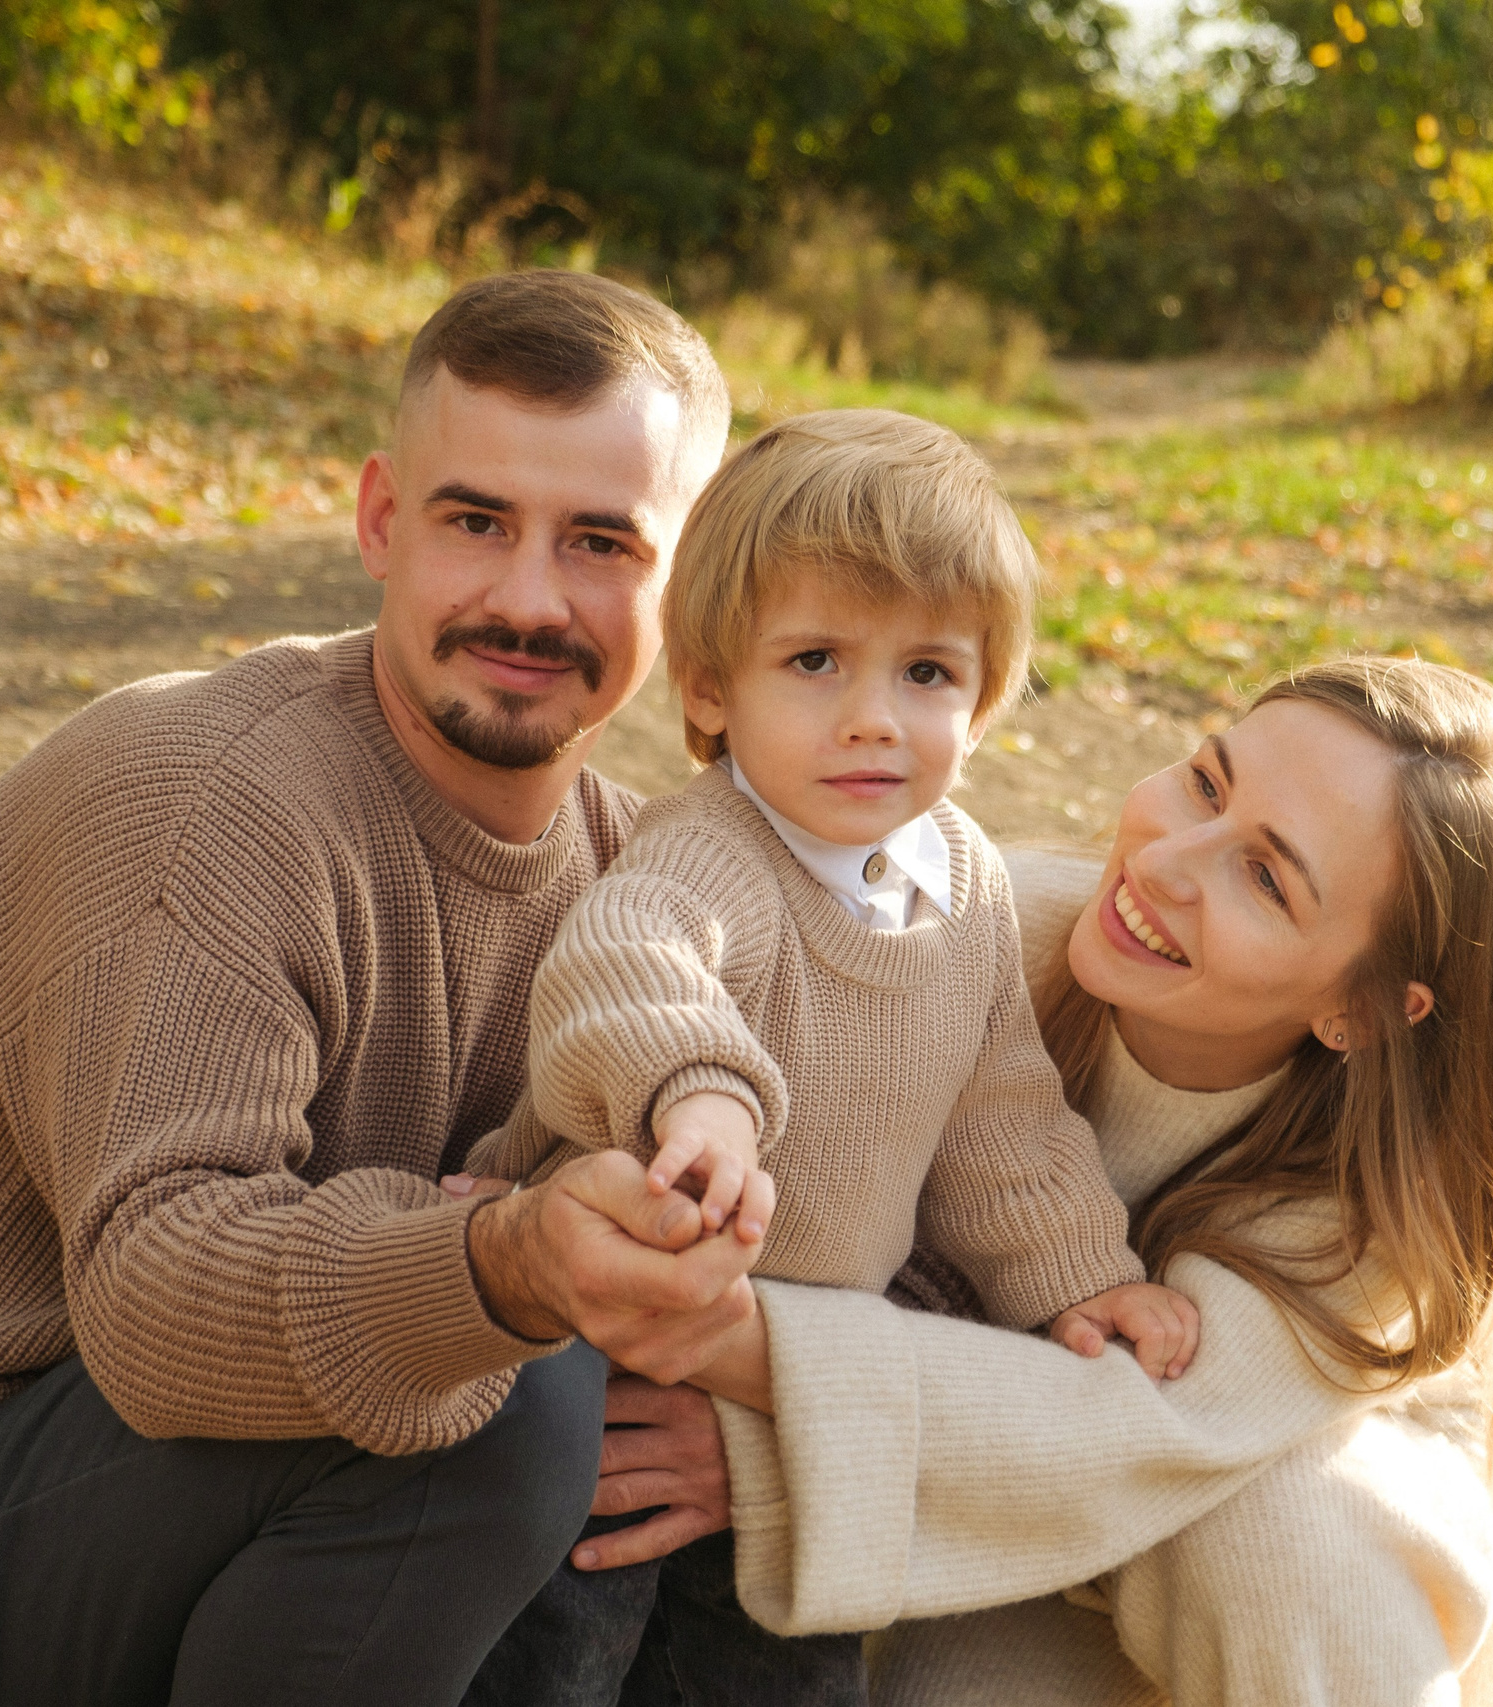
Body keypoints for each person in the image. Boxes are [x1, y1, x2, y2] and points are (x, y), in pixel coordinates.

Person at [0, 270, 775, 1707]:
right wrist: (502, 1261)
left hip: (249, 1527)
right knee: (510, 1390)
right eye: (475, 519)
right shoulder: (197, 794)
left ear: (686, 582)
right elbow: (156, 1305)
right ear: (382, 517)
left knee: (654, 1425)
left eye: (603, 541)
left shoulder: (637, 875)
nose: (528, 596)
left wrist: (740, 1423)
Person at [510, 655, 1493, 1706]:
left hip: (1257, 1520)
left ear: (1361, 1008)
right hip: (995, 1493)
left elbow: (1126, 1431)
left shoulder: (1376, 1219)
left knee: (1290, 1535)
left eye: (1264, 875)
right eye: (1204, 781)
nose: (1168, 858)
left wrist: (741, 1380)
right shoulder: (969, 933)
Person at [462, 411, 1199, 1707]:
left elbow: (1001, 1121)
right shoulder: (716, 852)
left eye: (929, 673)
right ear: (709, 688)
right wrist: (703, 1094)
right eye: (815, 661)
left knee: (782, 1663)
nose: (875, 720)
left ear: (987, 694)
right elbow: (626, 967)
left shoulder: (961, 884)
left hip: (788, 1370)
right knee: (560, 1649)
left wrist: (1079, 1275)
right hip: (601, 1341)